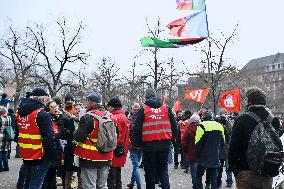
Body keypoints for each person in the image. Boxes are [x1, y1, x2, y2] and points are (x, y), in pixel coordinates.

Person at [228, 87, 282, 189]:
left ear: (249, 101)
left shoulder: (242, 120)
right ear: (264, 101)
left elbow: (233, 148)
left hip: (245, 171)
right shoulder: (274, 120)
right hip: (267, 171)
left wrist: (235, 170)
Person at [132, 88, 178, 189]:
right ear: (156, 95)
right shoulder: (166, 108)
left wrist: (139, 144)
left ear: (146, 97)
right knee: (163, 169)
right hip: (164, 144)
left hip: (149, 146)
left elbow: (137, 129)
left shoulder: (143, 110)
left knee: (150, 171)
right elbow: (174, 126)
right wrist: (172, 140)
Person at [15, 88, 57, 189]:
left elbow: (17, 134)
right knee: (36, 183)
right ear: (42, 99)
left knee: (28, 180)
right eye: (46, 100)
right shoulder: (42, 114)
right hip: (40, 154)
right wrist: (51, 155)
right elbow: (49, 138)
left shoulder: (19, 113)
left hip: (26, 153)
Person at [74, 91, 114, 189]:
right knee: (102, 186)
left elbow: (79, 137)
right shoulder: (110, 116)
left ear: (91, 102)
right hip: (107, 156)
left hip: (90, 157)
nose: (86, 103)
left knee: (89, 186)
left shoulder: (87, 117)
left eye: (87, 101)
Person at [195, 111, 225, 189]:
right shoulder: (219, 125)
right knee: (214, 178)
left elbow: (197, 143)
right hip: (215, 156)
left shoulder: (201, 125)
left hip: (203, 156)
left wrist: (197, 155)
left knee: (198, 175)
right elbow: (223, 141)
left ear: (203, 117)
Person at [106, 97, 130, 189]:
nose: (107, 109)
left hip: (114, 152)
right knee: (117, 176)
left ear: (113, 107)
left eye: (108, 107)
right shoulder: (124, 117)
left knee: (111, 178)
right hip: (121, 151)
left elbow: (115, 136)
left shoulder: (115, 118)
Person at [41, 101, 63, 189]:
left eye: (55, 106)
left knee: (52, 175)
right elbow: (53, 135)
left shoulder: (57, 118)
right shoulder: (47, 119)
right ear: (48, 109)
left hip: (56, 151)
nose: (55, 108)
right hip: (49, 151)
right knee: (48, 175)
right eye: (52, 107)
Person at [182, 113, 201, 189]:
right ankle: (200, 185)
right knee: (200, 172)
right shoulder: (202, 128)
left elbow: (184, 142)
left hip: (192, 153)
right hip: (201, 153)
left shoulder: (188, 129)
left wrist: (186, 151)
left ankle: (195, 186)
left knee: (193, 171)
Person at [215, 108, 233, 188]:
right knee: (219, 167)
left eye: (224, 114)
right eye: (221, 114)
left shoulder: (229, 123)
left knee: (228, 166)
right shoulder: (216, 122)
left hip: (227, 148)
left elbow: (230, 133)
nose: (222, 115)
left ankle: (229, 180)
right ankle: (218, 181)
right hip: (220, 147)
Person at [127, 103, 143, 189]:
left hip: (133, 145)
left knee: (136, 166)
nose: (135, 111)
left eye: (136, 109)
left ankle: (139, 186)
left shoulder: (130, 120)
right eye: (134, 109)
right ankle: (132, 183)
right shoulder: (144, 119)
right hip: (141, 145)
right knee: (136, 164)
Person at [0, 106, 12, 172]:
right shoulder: (9, 118)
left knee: (0, 153)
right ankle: (6, 167)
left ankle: (0, 168)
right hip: (7, 136)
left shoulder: (0, 118)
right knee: (4, 152)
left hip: (0, 136)